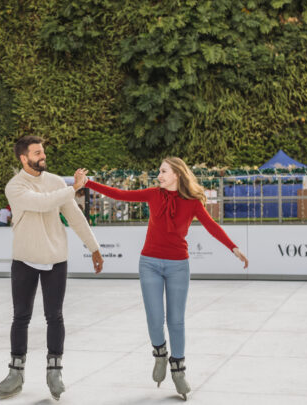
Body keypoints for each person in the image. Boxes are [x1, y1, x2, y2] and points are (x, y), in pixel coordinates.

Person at [77, 157, 248, 400]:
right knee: (155, 318)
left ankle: (178, 371)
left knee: (176, 321)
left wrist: (233, 247)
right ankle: (160, 354)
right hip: (149, 263)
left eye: (163, 171)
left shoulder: (192, 203)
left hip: (178, 265)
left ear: (177, 174)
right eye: (159, 170)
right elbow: (120, 194)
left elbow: (211, 226)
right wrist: (89, 184)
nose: (159, 174)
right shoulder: (153, 194)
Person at [0, 136, 104, 401]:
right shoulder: (15, 186)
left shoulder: (56, 182)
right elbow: (41, 202)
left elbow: (74, 216)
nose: (42, 156)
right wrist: (74, 188)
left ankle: (54, 371)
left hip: (56, 258)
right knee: (21, 317)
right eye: (37, 152)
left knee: (54, 316)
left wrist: (94, 246)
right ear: (24, 158)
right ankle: (16, 372)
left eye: (43, 151)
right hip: (24, 259)